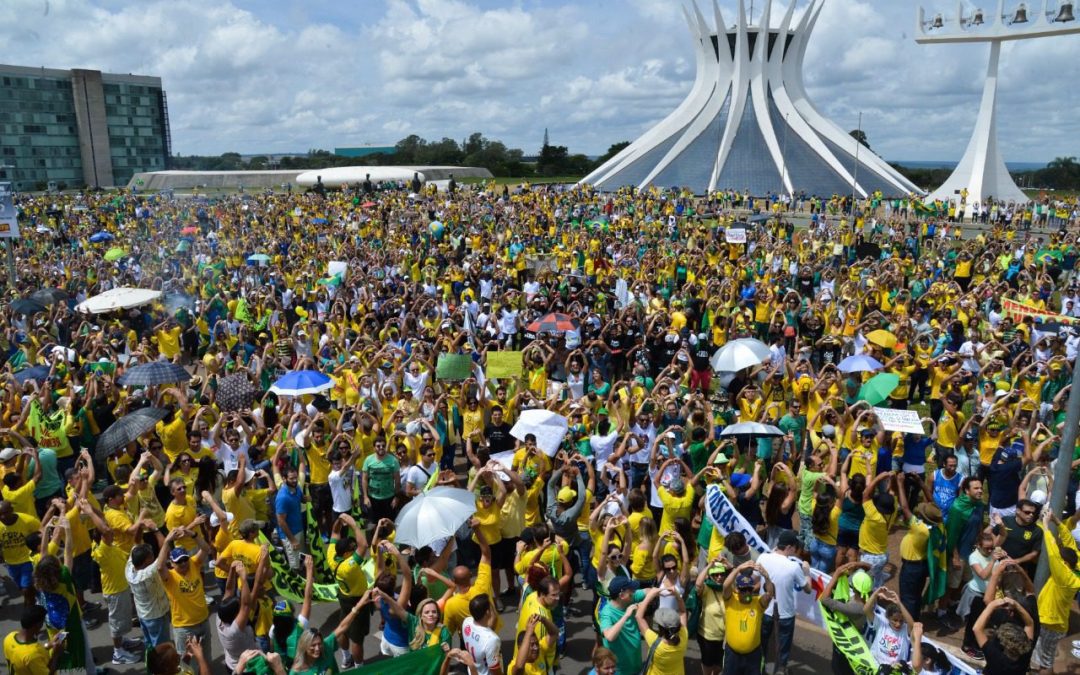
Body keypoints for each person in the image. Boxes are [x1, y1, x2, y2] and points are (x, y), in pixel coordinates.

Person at [756, 530, 810, 675]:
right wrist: (806, 572)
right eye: (795, 547)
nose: (796, 551)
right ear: (789, 547)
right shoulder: (794, 567)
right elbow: (808, 589)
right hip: (785, 614)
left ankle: (759, 668)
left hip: (764, 609)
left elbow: (755, 578)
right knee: (783, 647)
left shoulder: (763, 557)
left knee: (761, 643)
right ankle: (780, 670)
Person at [722, 561, 775, 675]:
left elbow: (770, 594)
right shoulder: (731, 600)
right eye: (743, 589)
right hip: (732, 655)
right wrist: (738, 569)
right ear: (737, 589)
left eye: (749, 589)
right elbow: (726, 586)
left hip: (753, 656)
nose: (746, 593)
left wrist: (766, 577)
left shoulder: (757, 603)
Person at [599, 575, 644, 675]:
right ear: (622, 595)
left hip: (636, 665)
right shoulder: (607, 613)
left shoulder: (630, 598)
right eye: (630, 590)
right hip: (621, 671)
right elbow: (609, 636)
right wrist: (626, 616)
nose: (634, 592)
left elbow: (648, 591)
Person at [0, 499, 41, 606]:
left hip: (27, 559)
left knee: (26, 588)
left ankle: (30, 607)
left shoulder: (28, 520)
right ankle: (36, 598)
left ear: (12, 510)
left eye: (5, 513)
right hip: (10, 562)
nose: (2, 517)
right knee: (22, 587)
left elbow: (42, 531)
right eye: (0, 514)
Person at [3, 604, 65, 674]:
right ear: (38, 625)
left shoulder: (9, 637)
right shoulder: (33, 656)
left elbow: (24, 651)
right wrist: (56, 655)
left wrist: (48, 645)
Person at [863, 588, 914, 666]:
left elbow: (912, 625)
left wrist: (899, 603)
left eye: (901, 621)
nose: (898, 624)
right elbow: (866, 610)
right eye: (895, 620)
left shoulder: (905, 630)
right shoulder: (881, 624)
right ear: (888, 617)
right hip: (875, 666)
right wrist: (875, 594)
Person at [461, 594, 502, 675]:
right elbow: (495, 670)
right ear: (487, 612)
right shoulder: (492, 640)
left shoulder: (466, 622)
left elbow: (485, 630)